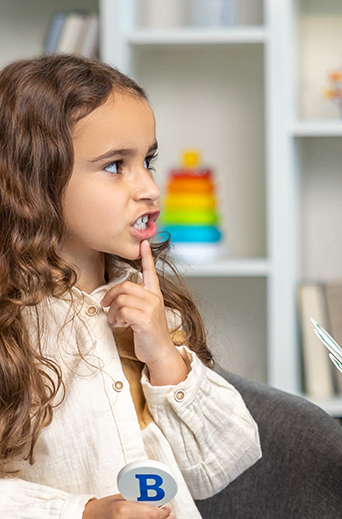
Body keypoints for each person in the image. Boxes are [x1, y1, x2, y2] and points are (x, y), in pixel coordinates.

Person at [0, 54, 261, 518]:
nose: (150, 189)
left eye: (148, 161)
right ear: (33, 181)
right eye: (116, 165)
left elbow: (222, 463)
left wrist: (163, 354)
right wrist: (85, 513)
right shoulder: (10, 327)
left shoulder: (152, 309)